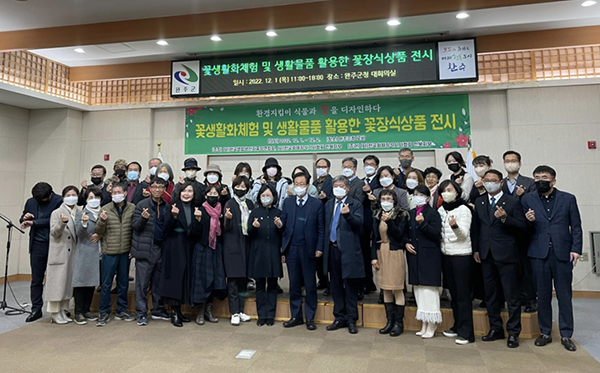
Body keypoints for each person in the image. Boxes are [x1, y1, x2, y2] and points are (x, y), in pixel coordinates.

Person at [522, 165, 582, 352]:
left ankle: (566, 334)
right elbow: (524, 229)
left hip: (563, 253)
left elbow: (576, 226)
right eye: (537, 177)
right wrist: (528, 221)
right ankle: (546, 332)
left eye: (544, 177)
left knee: (564, 295)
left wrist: (576, 249)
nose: (540, 180)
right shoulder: (527, 199)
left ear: (553, 180)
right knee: (543, 295)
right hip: (539, 254)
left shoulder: (568, 199)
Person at [472, 170, 526, 348]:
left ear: (501, 183)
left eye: (493, 180)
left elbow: (522, 227)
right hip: (486, 254)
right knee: (491, 295)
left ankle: (513, 332)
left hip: (507, 254)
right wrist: (476, 250)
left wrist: (505, 219)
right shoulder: (479, 202)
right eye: (486, 180)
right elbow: (477, 228)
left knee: (511, 296)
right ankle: (495, 328)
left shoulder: (512, 202)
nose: (490, 183)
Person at [280, 172, 324, 330]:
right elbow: (284, 225)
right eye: (296, 184)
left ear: (307, 186)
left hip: (309, 249)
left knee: (310, 284)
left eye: (302, 184)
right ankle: (296, 315)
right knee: (294, 284)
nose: (299, 187)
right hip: (292, 248)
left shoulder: (316, 204)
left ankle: (310, 317)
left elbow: (321, 229)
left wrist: (319, 247)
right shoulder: (288, 202)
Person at [323, 176, 364, 334]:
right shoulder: (328, 204)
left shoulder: (355, 204)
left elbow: (359, 226)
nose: (337, 188)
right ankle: (339, 317)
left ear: (347, 188)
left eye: (340, 186)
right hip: (332, 249)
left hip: (348, 250)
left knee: (350, 286)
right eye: (335, 186)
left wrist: (348, 215)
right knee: (335, 285)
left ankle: (351, 319)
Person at [159, 182, 202, 327]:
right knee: (174, 281)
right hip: (174, 248)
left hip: (189, 248)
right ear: (179, 193)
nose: (187, 193)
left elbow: (196, 232)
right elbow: (165, 229)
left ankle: (180, 312)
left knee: (185, 280)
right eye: (184, 191)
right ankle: (174, 313)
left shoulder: (196, 208)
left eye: (190, 191)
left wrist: (198, 220)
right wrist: (173, 217)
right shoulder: (173, 207)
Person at [438, 179, 475, 345]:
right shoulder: (440, 210)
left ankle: (467, 332)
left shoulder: (464, 209)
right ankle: (457, 325)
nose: (447, 192)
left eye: (450, 189)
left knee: (463, 296)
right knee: (453, 295)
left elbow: (464, 235)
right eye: (444, 189)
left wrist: (454, 226)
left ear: (458, 192)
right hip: (446, 255)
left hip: (461, 256)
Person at [19, 182, 63, 322]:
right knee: (36, 279)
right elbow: (24, 216)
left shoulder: (59, 201)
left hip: (55, 244)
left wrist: (35, 222)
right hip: (37, 245)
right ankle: (36, 309)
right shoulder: (31, 201)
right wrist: (25, 218)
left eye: (43, 200)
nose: (40, 202)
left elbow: (54, 220)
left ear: (50, 194)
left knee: (55, 279)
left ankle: (57, 309)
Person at [94, 183, 136, 326]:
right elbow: (98, 232)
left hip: (125, 252)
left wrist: (133, 249)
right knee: (106, 284)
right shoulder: (105, 209)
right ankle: (104, 311)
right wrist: (102, 221)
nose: (116, 194)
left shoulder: (132, 208)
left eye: (119, 192)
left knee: (123, 283)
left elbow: (134, 230)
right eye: (113, 192)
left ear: (125, 193)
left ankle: (121, 310)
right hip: (109, 252)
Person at [404, 185, 442, 338]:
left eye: (421, 194)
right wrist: (406, 242)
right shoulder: (411, 213)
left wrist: (423, 223)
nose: (417, 197)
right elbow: (406, 232)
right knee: (418, 291)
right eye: (415, 194)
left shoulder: (433, 213)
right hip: (414, 255)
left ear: (427, 197)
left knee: (429, 292)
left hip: (429, 256)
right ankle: (424, 322)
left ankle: (432, 323)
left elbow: (436, 234)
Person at [132, 177, 171, 326]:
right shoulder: (142, 205)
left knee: (158, 283)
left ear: (164, 189)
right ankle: (141, 313)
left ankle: (158, 309)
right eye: (154, 187)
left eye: (161, 187)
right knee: (142, 284)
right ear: (149, 188)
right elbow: (135, 226)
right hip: (145, 249)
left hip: (161, 249)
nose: (157, 190)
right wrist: (142, 218)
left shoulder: (166, 206)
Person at [502, 150, 538, 313]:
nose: (510, 163)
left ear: (520, 163)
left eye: (513, 160)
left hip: (524, 230)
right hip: (505, 231)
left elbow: (536, 204)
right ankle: (515, 298)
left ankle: (531, 299)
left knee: (526, 266)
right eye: (507, 160)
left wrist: (524, 195)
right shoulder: (500, 183)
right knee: (511, 268)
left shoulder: (529, 183)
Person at [371, 188, 409, 336]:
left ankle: (399, 323)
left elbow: (400, 235)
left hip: (395, 251)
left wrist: (390, 222)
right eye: (383, 199)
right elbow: (373, 237)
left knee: (397, 287)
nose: (386, 202)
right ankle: (389, 321)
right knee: (385, 288)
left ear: (394, 201)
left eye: (389, 199)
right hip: (381, 251)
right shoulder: (376, 214)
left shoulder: (401, 214)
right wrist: (373, 256)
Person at [190, 184, 227, 325]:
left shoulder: (221, 210)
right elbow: (194, 232)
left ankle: (209, 310)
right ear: (205, 196)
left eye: (215, 193)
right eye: (210, 193)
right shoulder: (200, 209)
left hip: (216, 248)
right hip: (202, 247)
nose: (213, 195)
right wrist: (198, 220)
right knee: (202, 280)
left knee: (214, 280)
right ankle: (200, 311)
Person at [248, 184, 283, 326]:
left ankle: (271, 315)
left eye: (268, 195)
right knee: (260, 286)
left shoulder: (278, 212)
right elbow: (249, 233)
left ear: (274, 197)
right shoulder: (255, 212)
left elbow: (283, 235)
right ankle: (261, 315)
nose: (266, 198)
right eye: (263, 195)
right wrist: (254, 228)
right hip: (259, 253)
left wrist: (280, 226)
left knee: (273, 286)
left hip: (274, 253)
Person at [44, 185, 80, 324]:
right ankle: (54, 313)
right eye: (68, 195)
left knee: (67, 284)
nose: (71, 197)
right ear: (63, 197)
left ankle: (63, 310)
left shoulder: (79, 211)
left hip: (73, 253)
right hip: (60, 252)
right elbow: (54, 232)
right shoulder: (57, 212)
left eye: (74, 195)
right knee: (57, 284)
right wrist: (61, 223)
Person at [223, 176, 254, 325]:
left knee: (243, 280)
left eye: (244, 187)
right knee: (233, 281)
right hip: (233, 246)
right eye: (238, 186)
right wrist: (228, 219)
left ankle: (241, 310)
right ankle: (233, 312)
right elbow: (226, 227)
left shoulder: (249, 203)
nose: (241, 189)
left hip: (246, 245)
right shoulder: (230, 203)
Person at [72, 187, 103, 325]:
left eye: (96, 198)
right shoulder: (81, 213)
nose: (94, 200)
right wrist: (84, 223)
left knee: (91, 282)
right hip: (84, 251)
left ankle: (87, 309)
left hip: (99, 252)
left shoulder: (104, 212)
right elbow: (79, 234)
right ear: (85, 200)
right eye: (90, 198)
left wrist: (101, 234)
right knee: (81, 282)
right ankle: (78, 311)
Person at [360, 155, 380, 296]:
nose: (369, 166)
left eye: (372, 164)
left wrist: (370, 192)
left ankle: (383, 287)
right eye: (366, 164)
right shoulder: (360, 182)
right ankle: (368, 282)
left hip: (378, 222)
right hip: (363, 223)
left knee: (379, 254)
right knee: (365, 254)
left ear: (377, 167)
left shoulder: (381, 181)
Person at [313, 157, 333, 291]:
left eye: (323, 166)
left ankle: (330, 282)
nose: (321, 169)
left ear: (328, 168)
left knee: (328, 254)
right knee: (318, 253)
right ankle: (322, 280)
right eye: (318, 167)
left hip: (329, 220)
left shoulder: (332, 182)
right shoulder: (314, 183)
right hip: (316, 221)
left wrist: (326, 198)